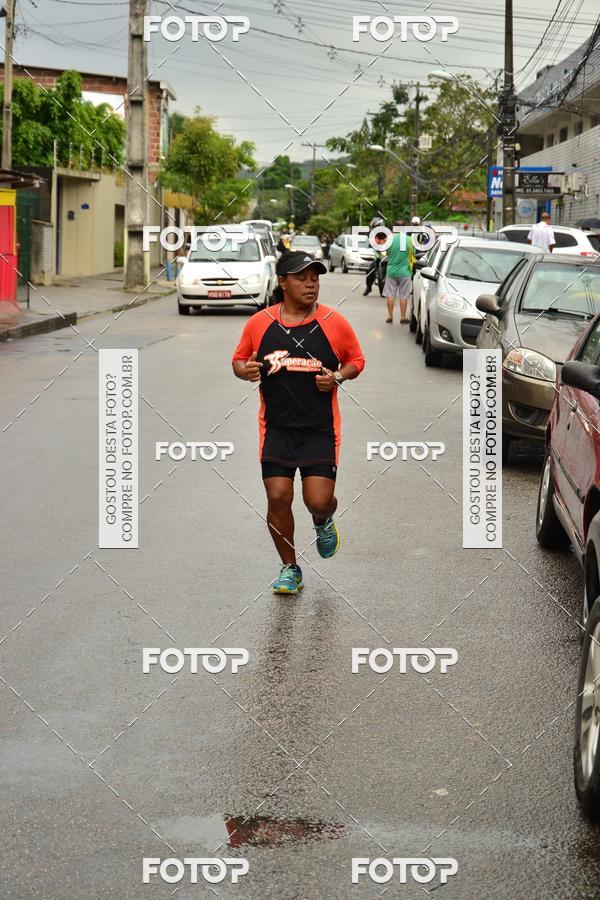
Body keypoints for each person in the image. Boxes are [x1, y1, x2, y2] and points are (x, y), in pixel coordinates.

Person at [232, 251, 365, 595]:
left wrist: (337, 376)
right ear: (282, 282)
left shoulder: (333, 322)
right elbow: (238, 359)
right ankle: (290, 568)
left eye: (315, 277)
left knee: (317, 501)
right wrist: (244, 370)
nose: (310, 283)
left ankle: (323, 520)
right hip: (276, 427)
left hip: (319, 430)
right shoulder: (260, 323)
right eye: (301, 277)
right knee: (278, 497)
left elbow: (356, 360)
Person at [384, 220, 415, 324]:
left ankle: (389, 316)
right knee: (403, 296)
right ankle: (402, 317)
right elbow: (413, 254)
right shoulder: (410, 240)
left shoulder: (389, 240)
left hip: (391, 271)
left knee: (390, 295)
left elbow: (386, 253)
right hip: (405, 272)